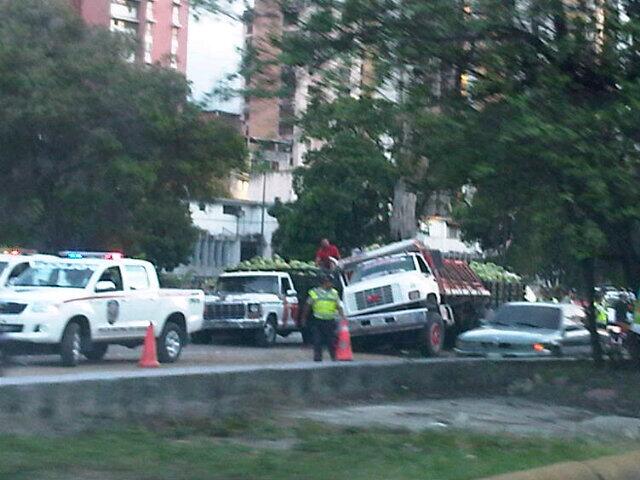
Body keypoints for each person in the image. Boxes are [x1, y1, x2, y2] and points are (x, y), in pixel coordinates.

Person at [303, 274, 343, 362]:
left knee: (331, 341)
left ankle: (334, 358)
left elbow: (339, 306)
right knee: (317, 341)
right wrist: (304, 318)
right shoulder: (314, 293)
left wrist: (343, 317)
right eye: (330, 282)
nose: (332, 284)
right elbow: (307, 306)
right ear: (325, 283)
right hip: (318, 321)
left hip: (330, 321)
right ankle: (317, 359)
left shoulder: (334, 293)